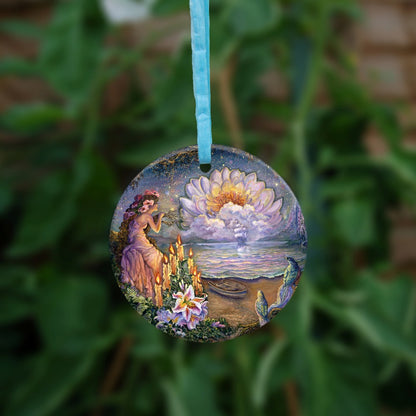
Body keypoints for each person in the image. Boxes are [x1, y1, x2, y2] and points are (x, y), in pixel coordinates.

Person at [120, 192, 165, 299]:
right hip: (139, 240)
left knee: (153, 256)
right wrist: (160, 217)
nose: (156, 206)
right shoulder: (147, 216)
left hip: (136, 239)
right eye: (154, 204)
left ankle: (156, 284)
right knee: (156, 256)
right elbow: (157, 230)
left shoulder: (141, 216)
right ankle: (158, 284)